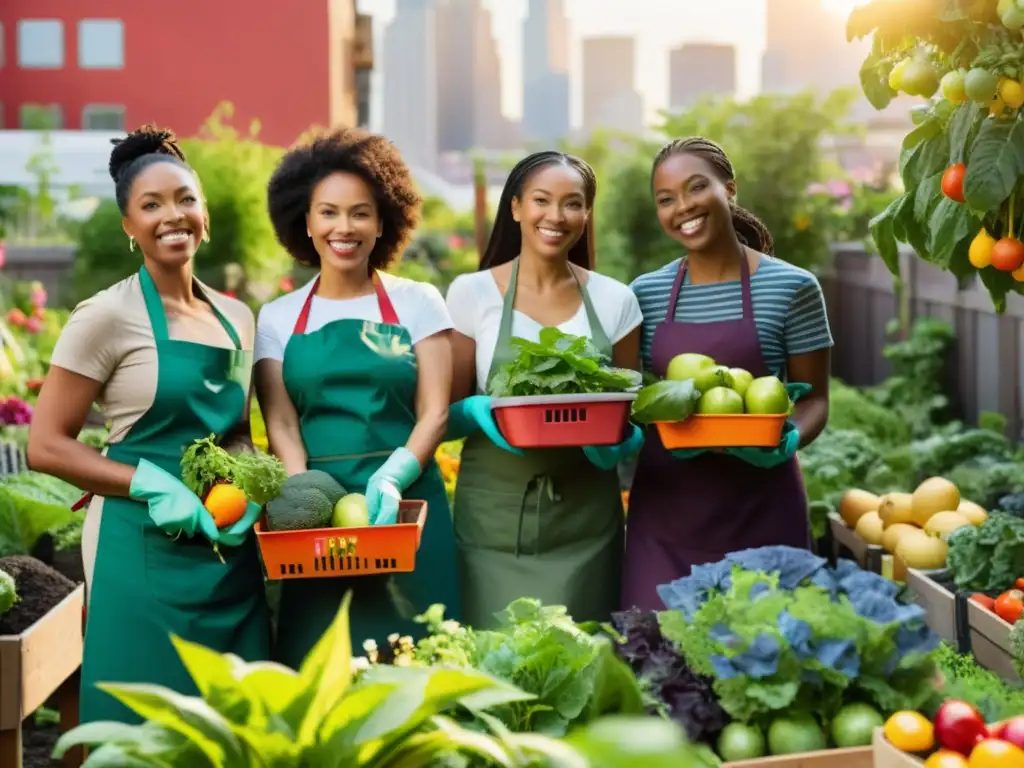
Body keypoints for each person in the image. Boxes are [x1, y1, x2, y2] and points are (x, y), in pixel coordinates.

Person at [26, 126, 269, 724]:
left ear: (205, 214)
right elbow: (45, 445)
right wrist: (150, 484)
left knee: (234, 728)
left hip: (225, 548)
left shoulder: (236, 316)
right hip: (136, 548)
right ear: (129, 226)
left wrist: (250, 493)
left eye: (185, 199)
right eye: (151, 205)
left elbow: (236, 429)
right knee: (141, 724)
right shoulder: (105, 316)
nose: (173, 215)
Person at [255, 128, 458, 667]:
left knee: (422, 668)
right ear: (304, 220)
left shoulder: (419, 302)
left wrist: (392, 476)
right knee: (320, 676)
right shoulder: (276, 318)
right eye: (328, 212)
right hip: (316, 523)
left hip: (409, 509)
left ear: (384, 220)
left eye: (360, 212)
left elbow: (435, 411)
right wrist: (304, 492)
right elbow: (281, 421)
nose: (343, 228)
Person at [622, 137, 833, 611]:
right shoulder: (646, 294)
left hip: (762, 508)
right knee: (659, 664)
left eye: (696, 188)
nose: (683, 207)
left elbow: (816, 399)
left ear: (730, 190)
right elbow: (631, 397)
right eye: (666, 199)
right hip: (666, 514)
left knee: (762, 663)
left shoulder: (792, 287)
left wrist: (787, 441)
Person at [445, 151, 644, 628]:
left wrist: (616, 439)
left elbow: (631, 418)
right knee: (494, 674)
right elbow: (442, 415)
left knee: (581, 669)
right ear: (515, 208)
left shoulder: (616, 300)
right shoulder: (471, 294)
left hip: (586, 524)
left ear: (586, 214)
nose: (556, 216)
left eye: (572, 203)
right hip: (493, 522)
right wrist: (474, 410)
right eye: (541, 200)